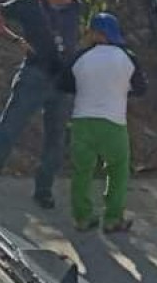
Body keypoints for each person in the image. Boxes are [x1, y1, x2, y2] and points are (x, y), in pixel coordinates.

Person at [0, 0, 84, 209]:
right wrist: (16, 40)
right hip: (34, 76)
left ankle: (44, 190)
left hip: (62, 80)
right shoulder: (27, 4)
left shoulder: (75, 6)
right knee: (9, 129)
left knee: (56, 138)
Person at [59, 13, 147, 233]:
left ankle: (82, 218)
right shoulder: (128, 57)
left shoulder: (79, 57)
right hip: (113, 123)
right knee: (117, 170)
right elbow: (141, 88)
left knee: (82, 172)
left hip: (82, 122)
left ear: (95, 33)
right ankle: (112, 218)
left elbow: (64, 84)